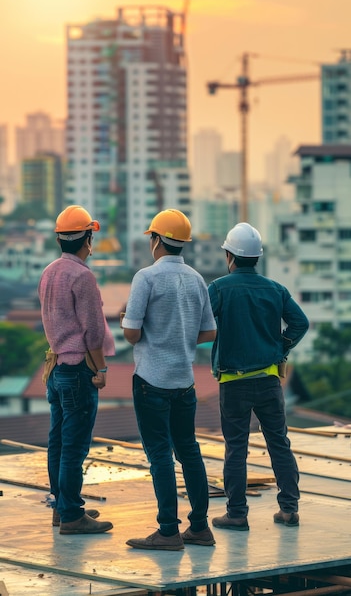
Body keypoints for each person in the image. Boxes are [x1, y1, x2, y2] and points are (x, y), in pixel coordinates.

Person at [121, 209, 217, 551]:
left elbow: (131, 335)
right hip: (184, 381)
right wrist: (180, 333)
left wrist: (133, 323)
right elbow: (208, 331)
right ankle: (200, 528)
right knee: (189, 452)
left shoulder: (145, 278)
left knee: (160, 454)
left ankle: (167, 531)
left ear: (156, 239)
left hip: (151, 380)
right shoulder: (196, 279)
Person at [208, 222, 309, 531]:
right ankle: (289, 509)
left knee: (236, 448)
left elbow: (200, 326)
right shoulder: (275, 289)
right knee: (279, 443)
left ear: (230, 255)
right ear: (257, 257)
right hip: (268, 381)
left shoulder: (219, 289)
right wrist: (281, 347)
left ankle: (237, 514)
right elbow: (300, 323)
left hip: (233, 383)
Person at [38, 205, 115, 535]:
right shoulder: (82, 276)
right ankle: (71, 515)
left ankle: (62, 506)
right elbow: (94, 332)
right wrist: (102, 369)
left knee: (58, 442)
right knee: (74, 447)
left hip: (56, 369)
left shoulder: (49, 272)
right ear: (88, 238)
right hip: (78, 370)